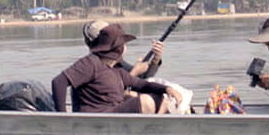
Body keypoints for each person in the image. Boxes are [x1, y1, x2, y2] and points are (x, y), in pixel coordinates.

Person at [51, 24, 183, 113]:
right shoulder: (90, 63)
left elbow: (141, 84)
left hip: (113, 113)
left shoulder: (115, 68)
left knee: (160, 98)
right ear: (118, 49)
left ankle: (151, 133)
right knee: (146, 101)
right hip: (97, 118)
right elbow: (59, 82)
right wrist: (63, 116)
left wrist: (168, 89)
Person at [81, 20, 164, 78]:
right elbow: (113, 92)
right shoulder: (92, 68)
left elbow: (143, 77)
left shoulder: (116, 61)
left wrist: (156, 58)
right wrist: (135, 72)